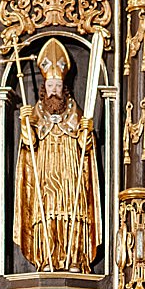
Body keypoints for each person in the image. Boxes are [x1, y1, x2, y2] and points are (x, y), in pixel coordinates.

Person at [15, 38, 102, 272]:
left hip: (69, 169)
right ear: (45, 87)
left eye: (57, 86)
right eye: (50, 86)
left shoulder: (75, 111)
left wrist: (86, 131)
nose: (54, 91)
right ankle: (47, 258)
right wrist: (26, 122)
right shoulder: (36, 111)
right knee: (46, 208)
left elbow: (86, 148)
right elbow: (29, 145)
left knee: (73, 207)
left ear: (64, 87)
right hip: (45, 168)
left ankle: (74, 257)